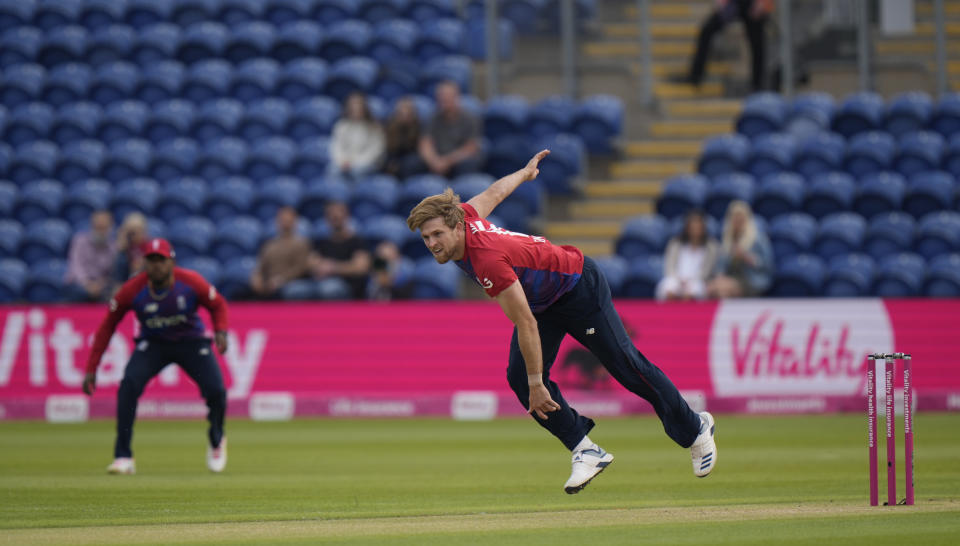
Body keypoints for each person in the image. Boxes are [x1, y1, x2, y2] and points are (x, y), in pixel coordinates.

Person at [406, 150, 717, 494]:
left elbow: (524, 322)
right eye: (425, 239)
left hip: (577, 285)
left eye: (436, 234)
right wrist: (523, 174)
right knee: (518, 378)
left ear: (455, 225)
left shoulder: (487, 261)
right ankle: (585, 449)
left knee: (627, 366)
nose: (432, 244)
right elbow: (494, 192)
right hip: (543, 300)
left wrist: (539, 383)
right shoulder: (464, 218)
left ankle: (696, 430)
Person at [82, 238, 230, 475]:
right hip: (154, 344)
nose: (156, 266)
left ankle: (216, 438)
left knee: (216, 391)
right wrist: (92, 367)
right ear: (144, 263)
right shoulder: (132, 290)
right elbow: (106, 327)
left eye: (161, 260)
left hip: (191, 342)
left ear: (171, 262)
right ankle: (123, 456)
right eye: (151, 261)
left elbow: (218, 304)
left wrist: (221, 329)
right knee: (128, 385)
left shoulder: (189, 282)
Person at [676, 0, 772, 92]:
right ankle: (695, 76)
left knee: (757, 44)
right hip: (735, 3)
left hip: (752, 3)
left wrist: (762, 2)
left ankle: (757, 86)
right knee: (707, 30)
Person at [707, 200, 774, 298]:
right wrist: (720, 275)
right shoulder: (727, 239)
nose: (738, 222)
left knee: (723, 290)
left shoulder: (758, 239)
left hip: (752, 278)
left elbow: (768, 265)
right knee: (711, 287)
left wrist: (746, 257)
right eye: (735, 218)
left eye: (741, 218)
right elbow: (720, 265)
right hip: (731, 277)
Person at [416, 80, 484, 177]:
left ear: (456, 97)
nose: (444, 101)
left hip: (457, 159)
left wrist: (447, 161)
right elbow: (425, 143)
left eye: (447, 97)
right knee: (413, 163)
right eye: (441, 98)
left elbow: (471, 147)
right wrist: (433, 161)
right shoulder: (431, 117)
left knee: (469, 164)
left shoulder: (470, 118)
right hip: (437, 158)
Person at [308, 201, 371, 300]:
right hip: (321, 281)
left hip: (347, 285)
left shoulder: (357, 241)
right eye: (331, 215)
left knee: (327, 289)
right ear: (326, 219)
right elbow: (311, 263)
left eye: (338, 214)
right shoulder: (322, 242)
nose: (335, 217)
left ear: (346, 216)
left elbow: (361, 267)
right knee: (296, 290)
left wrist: (333, 268)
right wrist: (319, 267)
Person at [656, 210, 720, 301]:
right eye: (693, 225)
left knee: (692, 291)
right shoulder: (675, 244)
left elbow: (707, 271)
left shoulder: (711, 247)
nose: (695, 228)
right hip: (676, 278)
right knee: (669, 288)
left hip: (698, 280)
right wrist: (679, 280)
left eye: (698, 225)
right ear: (687, 227)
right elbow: (669, 266)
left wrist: (690, 281)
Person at [250, 206, 312, 299]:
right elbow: (261, 266)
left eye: (288, 219)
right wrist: (256, 278)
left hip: (291, 283)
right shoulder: (269, 245)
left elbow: (300, 267)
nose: (285, 221)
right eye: (282, 218)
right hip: (270, 283)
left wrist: (282, 279)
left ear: (295, 221)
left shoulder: (301, 243)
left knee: (293, 291)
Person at [328, 92, 385, 179]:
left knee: (357, 172)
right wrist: (342, 161)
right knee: (332, 170)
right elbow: (336, 146)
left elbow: (375, 151)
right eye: (353, 105)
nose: (356, 108)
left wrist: (354, 163)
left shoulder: (375, 127)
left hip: (366, 163)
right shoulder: (341, 125)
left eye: (359, 105)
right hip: (345, 162)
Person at [64, 209, 117, 302]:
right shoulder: (80, 241)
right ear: (92, 226)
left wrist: (101, 284)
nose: (101, 232)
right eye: (98, 227)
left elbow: (113, 272)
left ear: (110, 227)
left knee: (112, 293)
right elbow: (76, 267)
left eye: (104, 228)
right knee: (77, 292)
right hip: (79, 284)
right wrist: (87, 284)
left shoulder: (114, 246)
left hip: (101, 286)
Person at [382, 96, 423, 179]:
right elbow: (390, 148)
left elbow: (417, 149)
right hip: (394, 158)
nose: (404, 114)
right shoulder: (390, 127)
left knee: (411, 163)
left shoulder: (419, 127)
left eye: (407, 111)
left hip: (411, 158)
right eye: (401, 112)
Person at [114, 212, 149, 282]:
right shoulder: (124, 247)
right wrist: (121, 250)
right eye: (131, 231)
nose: (133, 235)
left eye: (137, 230)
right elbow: (117, 274)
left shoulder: (150, 245)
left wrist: (143, 263)